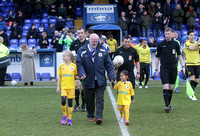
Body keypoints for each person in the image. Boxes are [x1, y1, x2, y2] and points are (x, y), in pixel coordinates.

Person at [76, 33, 115, 125]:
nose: (94, 43)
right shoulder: (82, 50)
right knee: (89, 99)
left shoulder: (103, 50)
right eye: (93, 41)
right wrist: (81, 73)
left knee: (100, 99)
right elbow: (79, 63)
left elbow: (109, 65)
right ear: (89, 40)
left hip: (100, 80)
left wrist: (112, 76)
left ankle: (99, 117)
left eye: (96, 41)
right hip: (87, 79)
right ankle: (90, 115)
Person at [155, 27, 185, 113]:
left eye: (169, 34)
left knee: (171, 87)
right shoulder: (160, 44)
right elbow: (157, 58)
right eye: (166, 34)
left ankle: (168, 104)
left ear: (172, 34)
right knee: (165, 85)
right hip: (164, 67)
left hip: (173, 67)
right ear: (164, 35)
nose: (167, 35)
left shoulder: (176, 44)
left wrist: (183, 67)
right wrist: (156, 70)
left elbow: (179, 56)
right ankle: (167, 105)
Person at [57, 50, 78, 125]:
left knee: (70, 103)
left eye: (64, 56)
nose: (63, 57)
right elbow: (59, 76)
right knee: (63, 101)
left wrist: (78, 82)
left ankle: (70, 119)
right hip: (64, 87)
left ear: (69, 57)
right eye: (62, 56)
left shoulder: (74, 66)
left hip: (71, 88)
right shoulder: (61, 66)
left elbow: (76, 76)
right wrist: (58, 87)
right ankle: (64, 115)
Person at [70, 27, 88, 112]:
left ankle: (84, 105)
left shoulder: (88, 43)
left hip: (86, 67)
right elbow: (72, 57)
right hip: (76, 67)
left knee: (84, 87)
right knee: (76, 86)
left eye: (81, 33)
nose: (80, 34)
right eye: (79, 33)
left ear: (85, 33)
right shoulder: (74, 44)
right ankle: (77, 104)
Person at [184, 30, 200, 101]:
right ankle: (192, 94)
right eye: (191, 35)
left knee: (197, 80)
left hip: (197, 63)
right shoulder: (186, 43)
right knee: (192, 79)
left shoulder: (197, 43)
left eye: (193, 35)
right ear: (188, 36)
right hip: (189, 64)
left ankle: (191, 92)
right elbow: (192, 48)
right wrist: (199, 41)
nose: (192, 36)